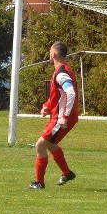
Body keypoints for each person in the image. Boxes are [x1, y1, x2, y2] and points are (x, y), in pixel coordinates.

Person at [28, 41, 78, 190]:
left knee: (40, 145)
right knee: (49, 144)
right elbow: (58, 96)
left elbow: (70, 93)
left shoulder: (61, 73)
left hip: (60, 118)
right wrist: (47, 107)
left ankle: (39, 182)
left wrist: (64, 116)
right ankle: (67, 173)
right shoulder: (62, 70)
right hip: (58, 116)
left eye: (50, 52)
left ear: (53, 54)